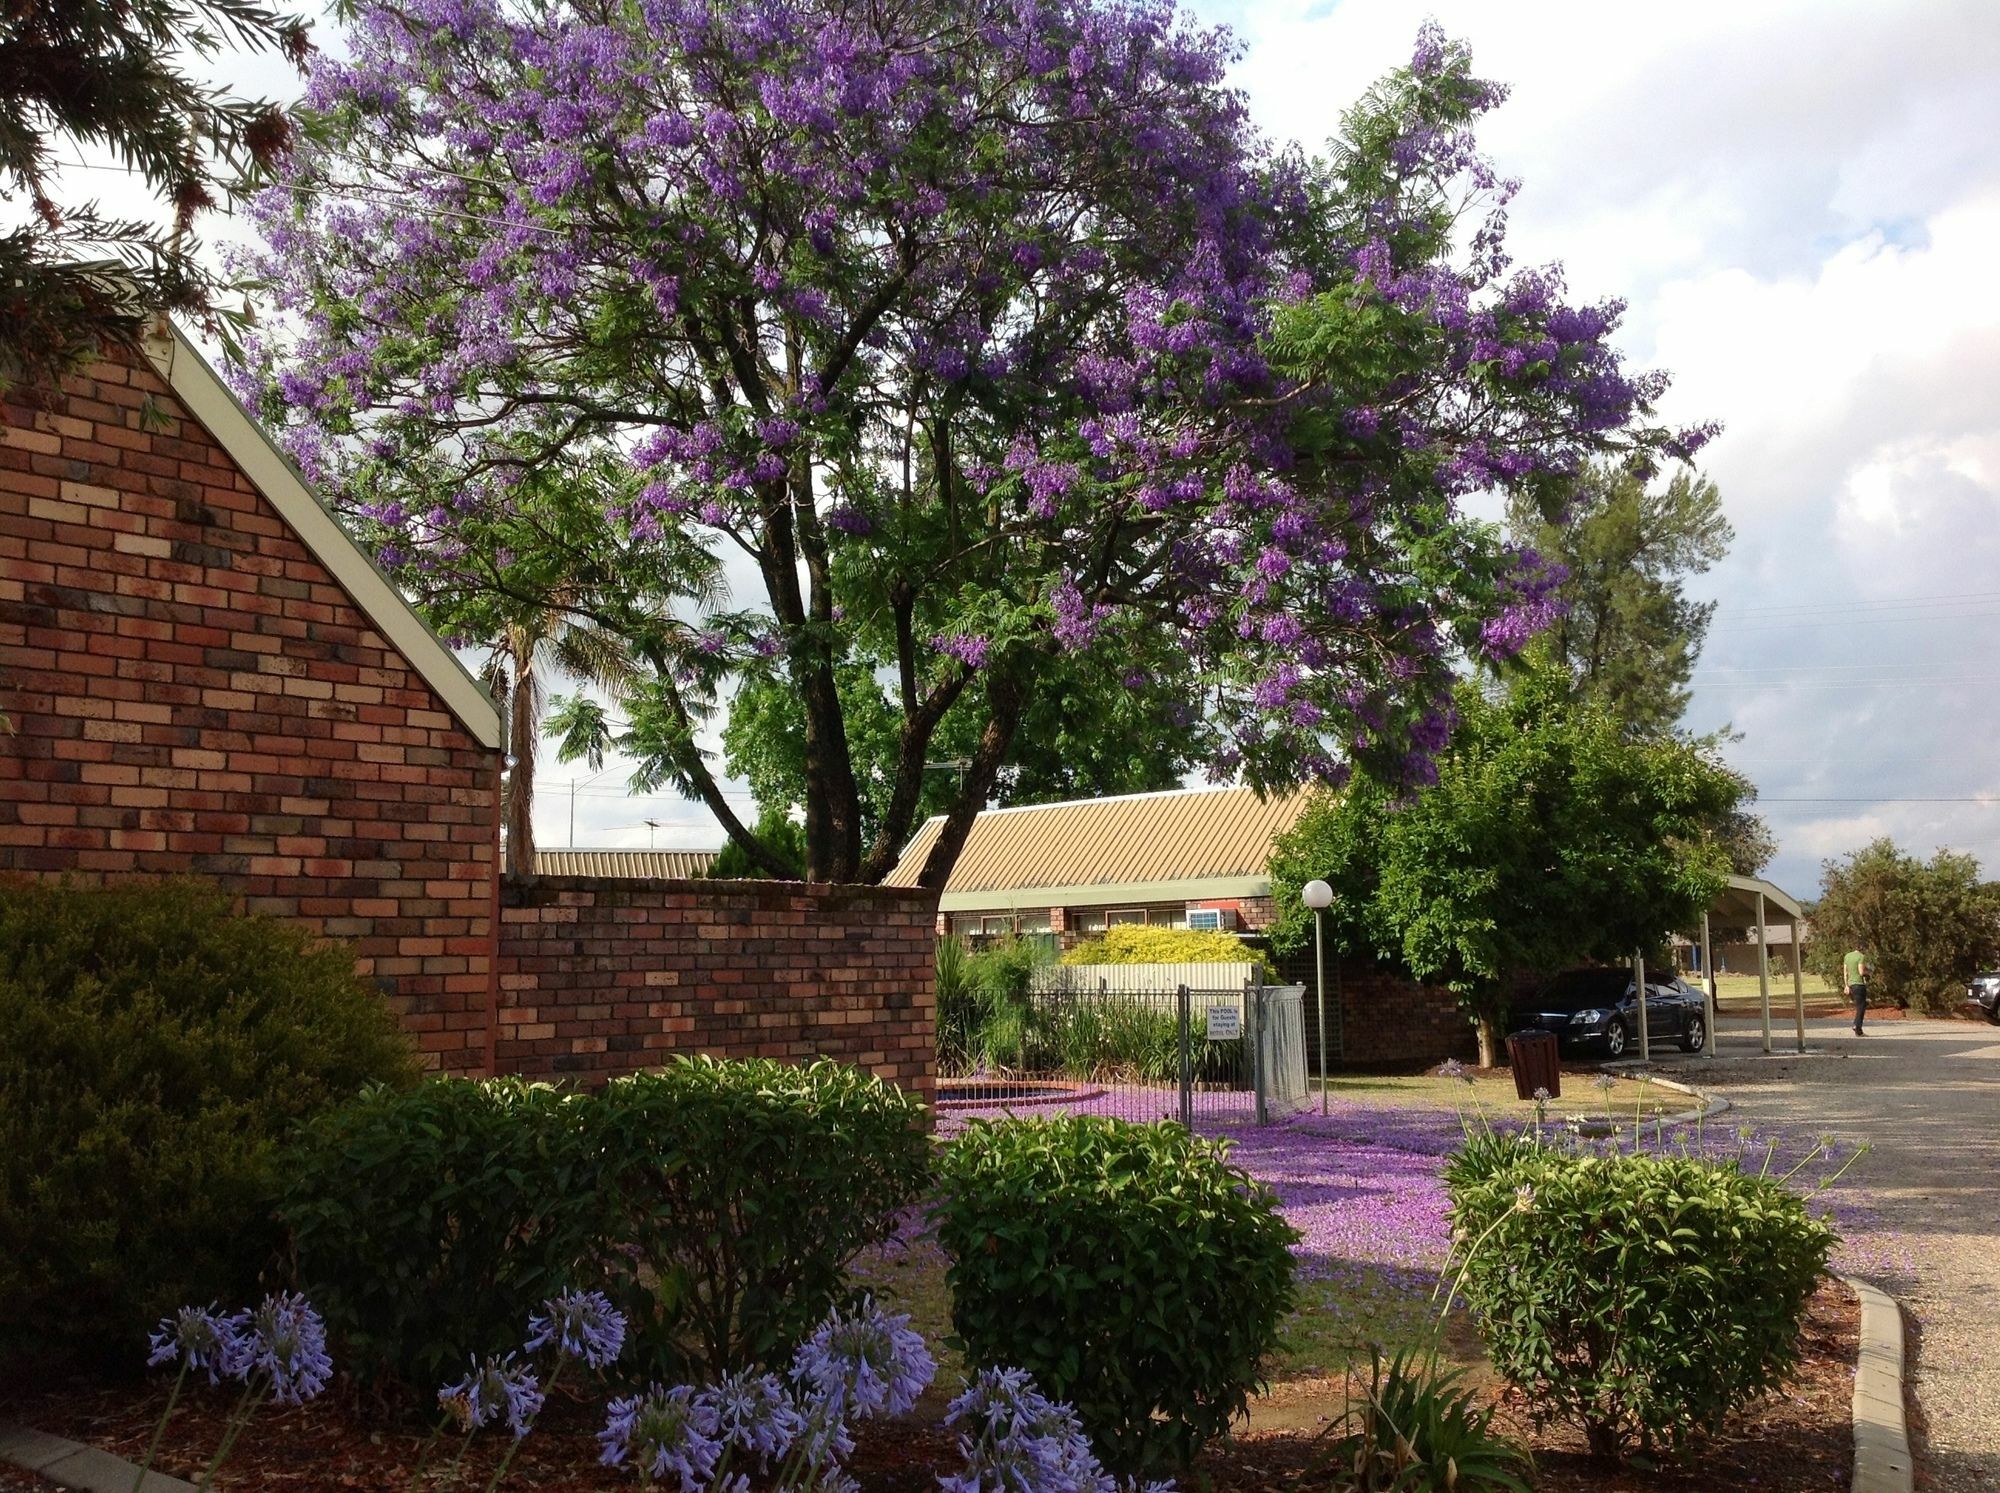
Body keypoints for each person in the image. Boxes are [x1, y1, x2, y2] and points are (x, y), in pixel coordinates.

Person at [1843, 945, 1871, 1036]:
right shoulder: (1861, 957)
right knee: (1861, 1006)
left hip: (1851, 984)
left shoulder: (1847, 956)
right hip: (1859, 984)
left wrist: (1846, 985)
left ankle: (1858, 1030)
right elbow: (1861, 972)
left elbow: (1845, 972)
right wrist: (1869, 972)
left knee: (1859, 1006)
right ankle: (1857, 1025)